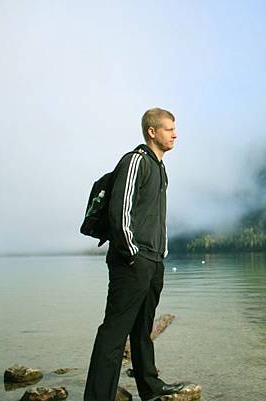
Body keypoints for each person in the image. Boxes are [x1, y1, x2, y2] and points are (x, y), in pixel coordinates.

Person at [84, 108, 184, 401]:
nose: (175, 134)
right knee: (114, 333)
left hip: (153, 261)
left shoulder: (161, 169)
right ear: (152, 132)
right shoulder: (135, 161)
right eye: (169, 129)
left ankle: (149, 387)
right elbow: (120, 211)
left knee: (142, 330)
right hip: (133, 261)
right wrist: (132, 252)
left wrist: (159, 254)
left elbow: (153, 217)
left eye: (174, 129)